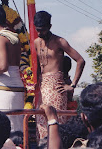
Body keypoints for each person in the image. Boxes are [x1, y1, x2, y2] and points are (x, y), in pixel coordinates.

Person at [33, 11, 85, 139]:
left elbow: (80, 60)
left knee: (57, 122)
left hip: (56, 87)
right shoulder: (36, 42)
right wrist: (35, 87)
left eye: (42, 30)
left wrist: (72, 85)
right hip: (42, 87)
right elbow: (39, 67)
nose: (40, 33)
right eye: (37, 30)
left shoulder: (60, 41)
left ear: (49, 27)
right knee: (41, 124)